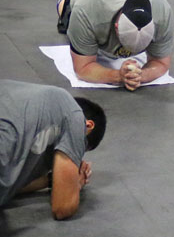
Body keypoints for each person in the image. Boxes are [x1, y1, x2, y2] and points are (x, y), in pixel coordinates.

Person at [0, 80, 106, 219]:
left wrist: (52, 180)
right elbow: (63, 207)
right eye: (80, 149)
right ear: (88, 126)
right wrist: (75, 183)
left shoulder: (31, 104)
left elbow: (11, 184)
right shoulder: (75, 116)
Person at [57, 0, 174, 90]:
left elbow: (161, 63)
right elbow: (83, 69)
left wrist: (141, 76)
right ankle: (64, 0)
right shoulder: (87, 10)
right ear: (116, 27)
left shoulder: (162, 13)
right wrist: (118, 76)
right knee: (66, 18)